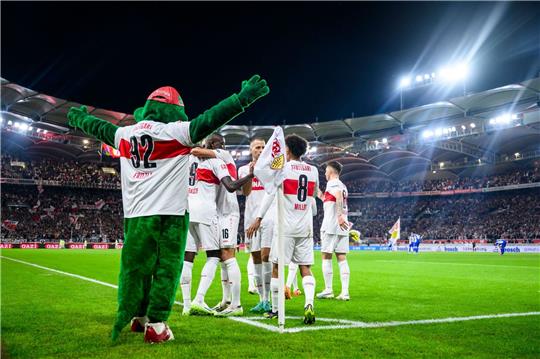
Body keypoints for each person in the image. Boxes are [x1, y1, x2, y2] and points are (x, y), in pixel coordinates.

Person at [67, 75, 269, 343]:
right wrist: (244, 97)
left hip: (135, 215)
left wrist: (78, 117)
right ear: (174, 111)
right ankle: (157, 325)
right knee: (166, 268)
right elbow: (213, 117)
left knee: (135, 268)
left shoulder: (124, 134)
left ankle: (138, 318)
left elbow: (97, 126)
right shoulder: (177, 131)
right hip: (168, 214)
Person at [246, 134, 319, 325]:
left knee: (278, 267)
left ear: (287, 150)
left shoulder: (283, 169)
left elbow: (270, 194)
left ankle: (277, 310)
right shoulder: (313, 170)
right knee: (305, 268)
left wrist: (258, 218)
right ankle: (309, 304)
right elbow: (313, 203)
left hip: (285, 226)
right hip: (306, 227)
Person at [180, 141, 253, 317]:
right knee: (215, 256)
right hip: (209, 211)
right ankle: (211, 300)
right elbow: (231, 186)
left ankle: (190, 304)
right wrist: (252, 175)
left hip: (198, 211)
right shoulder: (216, 160)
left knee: (193, 258)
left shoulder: (188, 160)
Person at [238, 138, 274, 314]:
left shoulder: (271, 167)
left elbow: (273, 191)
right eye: (257, 148)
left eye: (262, 147)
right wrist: (250, 175)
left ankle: (269, 299)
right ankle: (262, 300)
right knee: (256, 259)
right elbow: (246, 192)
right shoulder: (243, 169)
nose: (260, 150)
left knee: (266, 256)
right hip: (250, 218)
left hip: (267, 218)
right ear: (251, 150)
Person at [316, 161, 350, 301]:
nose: (324, 173)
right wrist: (318, 193)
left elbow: (338, 197)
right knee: (341, 257)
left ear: (331, 171)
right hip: (342, 226)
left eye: (325, 171)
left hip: (332, 224)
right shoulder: (343, 185)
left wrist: (339, 215)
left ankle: (329, 290)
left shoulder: (333, 182)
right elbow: (328, 199)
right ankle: (345, 292)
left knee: (326, 256)